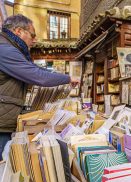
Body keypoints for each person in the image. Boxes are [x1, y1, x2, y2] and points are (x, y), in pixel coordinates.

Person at [0, 14, 79, 159]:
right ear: (18, 31)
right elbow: (38, 76)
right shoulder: (5, 49)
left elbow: (36, 70)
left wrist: (64, 78)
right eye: (32, 35)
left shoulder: (11, 48)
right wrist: (67, 78)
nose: (35, 40)